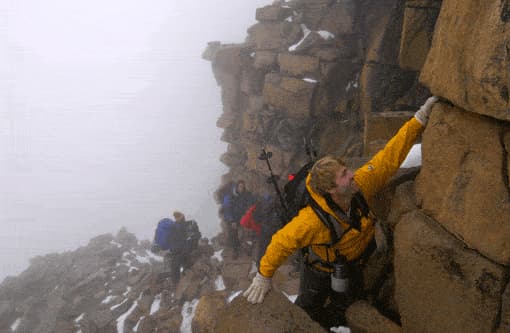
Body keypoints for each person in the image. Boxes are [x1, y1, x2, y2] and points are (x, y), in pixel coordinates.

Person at [243, 96, 439, 328]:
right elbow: (280, 242)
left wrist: (419, 119)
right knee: (308, 310)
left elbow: (388, 158)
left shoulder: (359, 186)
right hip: (319, 270)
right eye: (345, 174)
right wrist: (264, 276)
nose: (352, 174)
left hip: (356, 262)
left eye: (347, 169)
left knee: (348, 304)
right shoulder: (312, 221)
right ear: (332, 190)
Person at [222, 180, 256, 258]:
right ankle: (235, 249)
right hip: (234, 218)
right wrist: (232, 220)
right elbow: (227, 209)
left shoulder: (247, 195)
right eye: (240, 186)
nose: (241, 188)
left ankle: (248, 247)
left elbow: (251, 204)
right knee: (233, 231)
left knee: (248, 230)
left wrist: (248, 214)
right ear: (237, 187)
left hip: (244, 216)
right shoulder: (231, 196)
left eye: (243, 186)